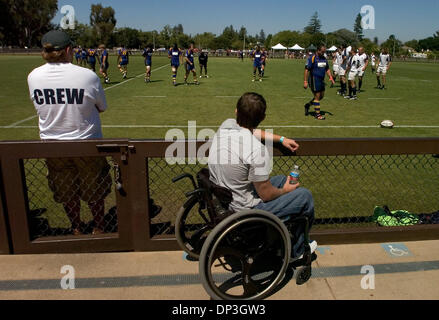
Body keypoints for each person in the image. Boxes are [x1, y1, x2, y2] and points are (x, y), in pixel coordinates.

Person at [208, 92, 317, 259]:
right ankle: (298, 251)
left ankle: (279, 239)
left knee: (280, 179)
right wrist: (286, 191)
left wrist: (281, 139)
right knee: (304, 196)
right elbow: (266, 195)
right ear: (263, 117)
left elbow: (253, 132)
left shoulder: (226, 125)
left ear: (236, 111)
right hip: (245, 211)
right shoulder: (256, 150)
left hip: (224, 199)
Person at [27, 30, 112, 236]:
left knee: (66, 190)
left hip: (53, 145)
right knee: (94, 189)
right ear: (68, 50)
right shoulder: (87, 76)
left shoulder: (33, 76)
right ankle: (99, 227)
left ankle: (76, 226)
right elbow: (101, 107)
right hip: (86, 143)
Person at [304, 45, 335, 120]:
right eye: (322, 52)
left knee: (321, 96)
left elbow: (327, 69)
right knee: (317, 97)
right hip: (314, 80)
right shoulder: (312, 58)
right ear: (318, 50)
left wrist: (330, 77)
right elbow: (306, 70)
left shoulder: (324, 58)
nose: (323, 53)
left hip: (321, 80)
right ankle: (317, 115)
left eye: (324, 52)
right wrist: (305, 81)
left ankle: (308, 105)